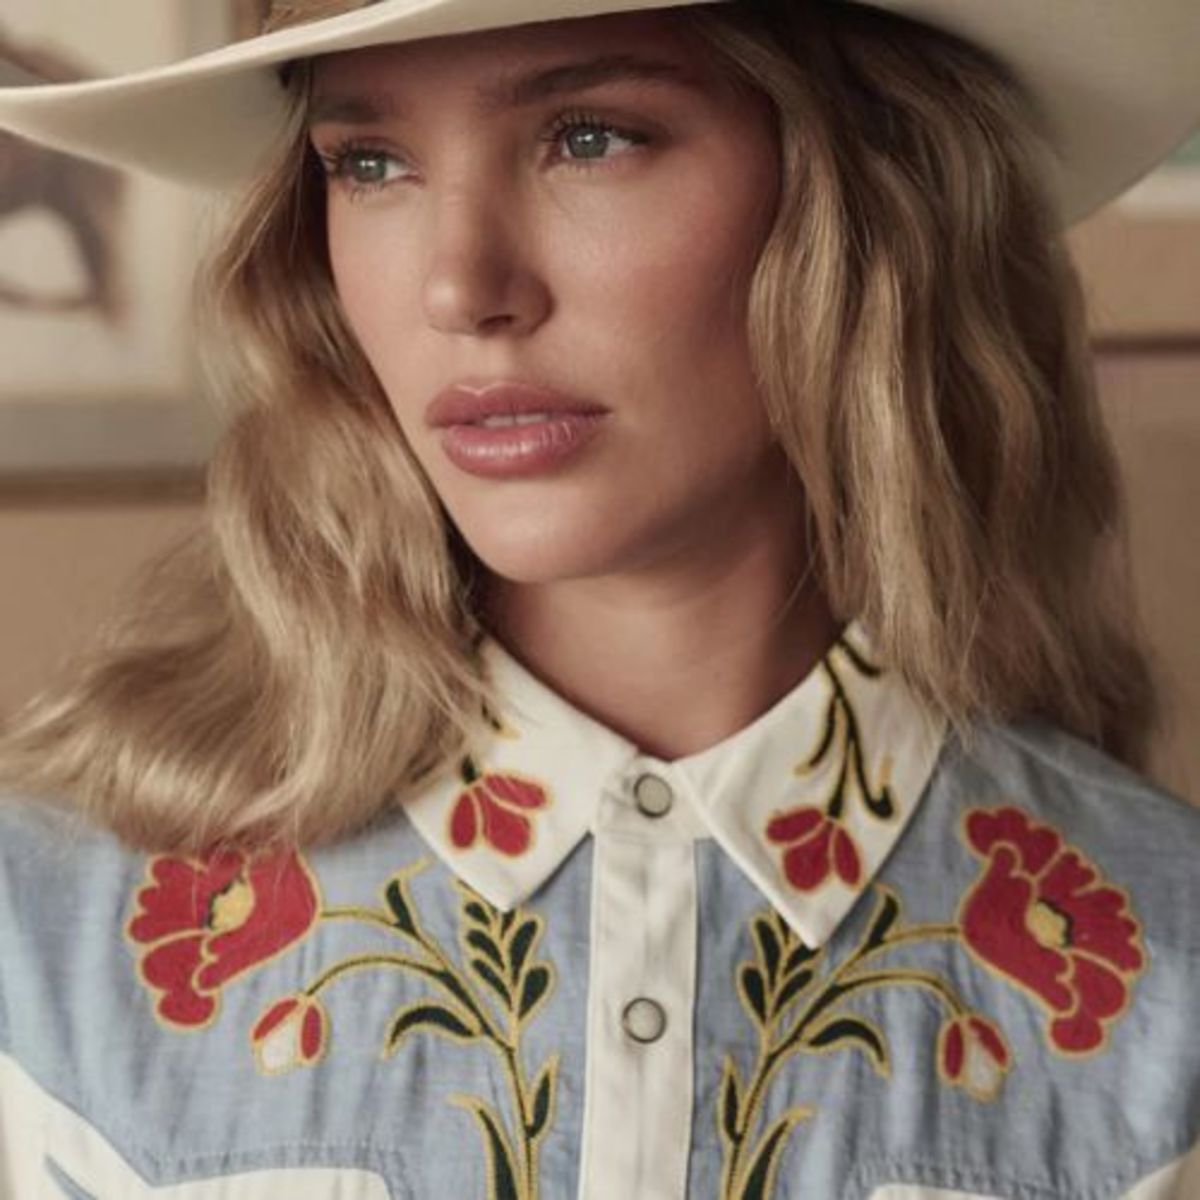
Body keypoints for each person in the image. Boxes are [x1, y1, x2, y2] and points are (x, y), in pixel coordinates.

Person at [0, 0, 1197, 1195]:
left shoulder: (1167, 989)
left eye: (589, 138)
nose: (461, 287)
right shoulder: (48, 953)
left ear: (871, 195)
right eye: (370, 163)